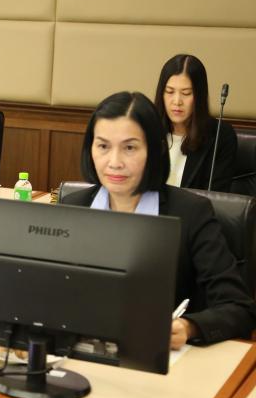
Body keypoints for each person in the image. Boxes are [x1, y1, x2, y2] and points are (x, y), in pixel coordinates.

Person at [62, 91, 256, 349]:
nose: (114, 162)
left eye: (130, 148)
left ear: (155, 150)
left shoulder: (191, 213)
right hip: (79, 353)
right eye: (103, 146)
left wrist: (188, 327)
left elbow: (239, 308)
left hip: (159, 356)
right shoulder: (72, 208)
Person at [154, 54, 237, 192]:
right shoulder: (148, 130)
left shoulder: (220, 136)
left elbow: (217, 198)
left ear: (199, 96)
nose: (177, 101)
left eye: (186, 93)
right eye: (169, 92)